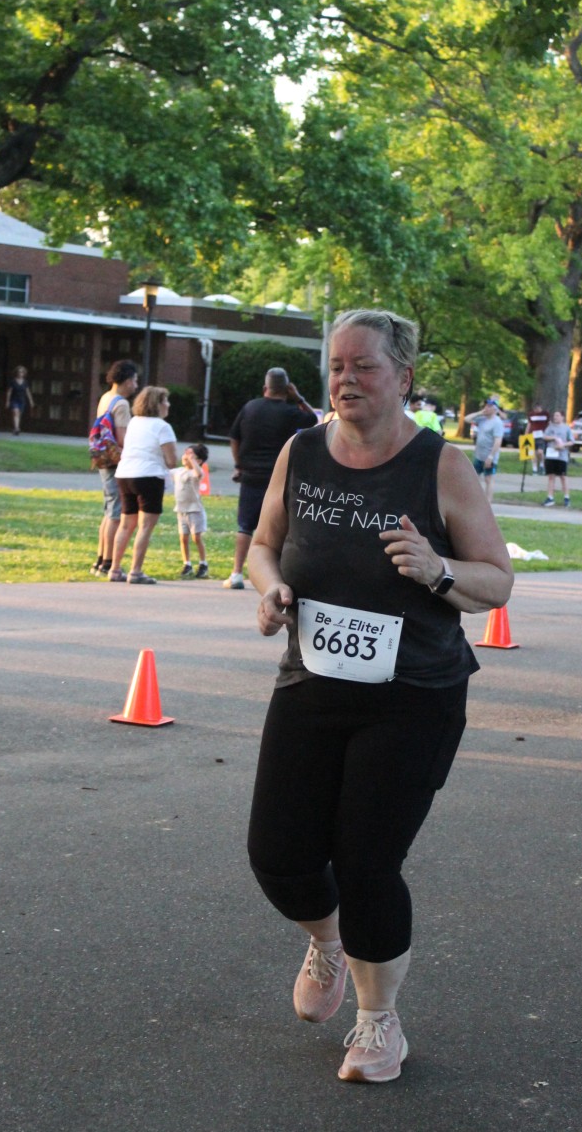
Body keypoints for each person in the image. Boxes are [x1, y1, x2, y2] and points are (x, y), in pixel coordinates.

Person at [246, 308, 513, 1083]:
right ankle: (328, 941)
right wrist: (270, 591)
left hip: (414, 695)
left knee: (367, 861)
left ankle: (377, 1021)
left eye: (364, 366)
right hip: (311, 682)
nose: (346, 379)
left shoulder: (440, 465)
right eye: (337, 365)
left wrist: (437, 570)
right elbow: (263, 546)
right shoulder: (301, 451)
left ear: (403, 377)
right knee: (278, 854)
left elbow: (496, 581)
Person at [224, 367, 316, 589]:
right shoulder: (290, 411)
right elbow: (313, 419)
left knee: (245, 526)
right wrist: (299, 397)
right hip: (279, 477)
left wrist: (238, 464)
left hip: (250, 474)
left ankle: (236, 573)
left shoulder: (250, 407)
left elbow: (234, 437)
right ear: (287, 388)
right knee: (280, 529)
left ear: (265, 387)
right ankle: (280, 576)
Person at [108, 385, 177, 584]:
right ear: (157, 404)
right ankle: (136, 571)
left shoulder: (134, 422)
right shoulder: (163, 427)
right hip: (149, 476)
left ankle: (114, 568)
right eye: (165, 401)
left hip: (125, 474)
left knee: (125, 524)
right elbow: (171, 461)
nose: (168, 404)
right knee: (145, 526)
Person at [91, 361, 139, 576]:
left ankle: (100, 560)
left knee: (109, 511)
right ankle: (108, 563)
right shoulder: (122, 404)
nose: (136, 385)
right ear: (127, 381)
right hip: (115, 461)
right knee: (116, 514)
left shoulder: (105, 398)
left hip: (102, 458)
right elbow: (122, 438)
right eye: (135, 380)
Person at [173, 443, 210, 577]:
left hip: (195, 510)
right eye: (186, 454)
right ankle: (187, 564)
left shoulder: (194, 473)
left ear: (199, 460)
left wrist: (193, 461)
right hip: (181, 511)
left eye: (191, 455)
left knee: (196, 537)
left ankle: (203, 563)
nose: (186, 457)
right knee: (183, 538)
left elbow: (199, 473)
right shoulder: (178, 471)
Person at [463, 398, 505, 503]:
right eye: (486, 405)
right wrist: (480, 413)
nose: (486, 408)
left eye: (489, 406)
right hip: (479, 455)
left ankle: (488, 503)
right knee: (474, 478)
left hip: (489, 456)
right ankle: (474, 501)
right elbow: (466, 419)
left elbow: (498, 441)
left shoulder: (497, 422)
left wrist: (491, 457)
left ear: (495, 409)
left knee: (488, 479)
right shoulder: (482, 419)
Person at [541, 411, 574, 507]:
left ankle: (566, 497)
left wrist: (563, 445)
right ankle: (550, 497)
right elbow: (544, 436)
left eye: (557, 415)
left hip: (562, 456)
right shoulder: (550, 427)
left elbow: (572, 441)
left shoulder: (566, 428)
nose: (555, 417)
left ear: (562, 417)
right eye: (554, 415)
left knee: (563, 476)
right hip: (551, 454)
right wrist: (553, 438)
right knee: (551, 476)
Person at [5, 366, 34, 435]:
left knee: (19, 414)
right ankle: (17, 428)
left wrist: (31, 401)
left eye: (22, 372)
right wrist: (7, 401)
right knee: (16, 412)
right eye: (19, 372)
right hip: (14, 400)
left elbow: (28, 392)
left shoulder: (25, 382)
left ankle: (16, 427)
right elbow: (9, 392)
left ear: (24, 373)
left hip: (22, 400)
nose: (20, 373)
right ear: (16, 373)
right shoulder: (13, 381)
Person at [527, 403, 549, 474]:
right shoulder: (531, 414)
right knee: (532, 453)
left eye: (537, 409)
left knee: (540, 452)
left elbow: (548, 423)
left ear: (540, 408)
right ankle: (534, 468)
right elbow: (529, 424)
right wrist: (526, 434)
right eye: (535, 409)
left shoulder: (545, 414)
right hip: (532, 435)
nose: (536, 411)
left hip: (541, 435)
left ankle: (542, 464)